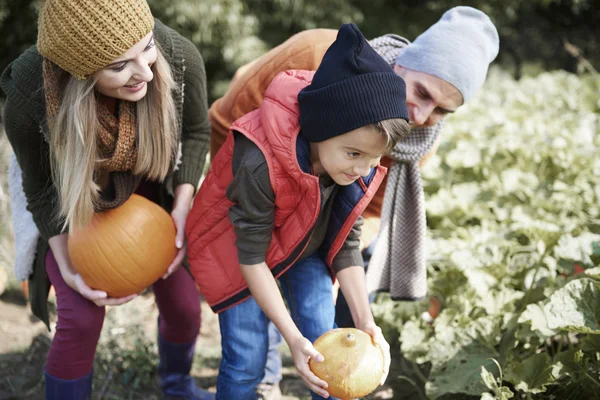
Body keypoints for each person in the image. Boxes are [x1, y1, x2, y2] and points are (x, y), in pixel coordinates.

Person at [206, 8, 499, 398]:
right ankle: (265, 377)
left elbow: (356, 221)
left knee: (324, 320)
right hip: (250, 213)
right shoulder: (312, 53)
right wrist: (247, 201)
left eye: (443, 110)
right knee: (249, 351)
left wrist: (362, 315)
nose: (425, 116)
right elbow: (229, 129)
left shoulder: (398, 145)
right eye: (424, 93)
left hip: (313, 233)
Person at [1, 0, 213, 399]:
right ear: (78, 72)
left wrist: (181, 208)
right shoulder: (29, 99)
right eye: (119, 66)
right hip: (74, 200)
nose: (145, 71)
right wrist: (66, 263)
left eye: (146, 47)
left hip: (152, 186)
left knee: (185, 307)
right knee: (80, 318)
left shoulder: (177, 56)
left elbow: (197, 132)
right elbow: (39, 186)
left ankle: (177, 386)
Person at [186, 24, 410, 399]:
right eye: (355, 154)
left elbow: (349, 246)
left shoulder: (353, 162)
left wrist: (366, 323)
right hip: (239, 253)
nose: (362, 169)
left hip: (303, 246)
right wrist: (291, 337)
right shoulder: (258, 161)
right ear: (319, 128)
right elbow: (253, 257)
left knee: (328, 344)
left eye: (373, 159)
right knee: (247, 358)